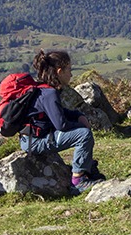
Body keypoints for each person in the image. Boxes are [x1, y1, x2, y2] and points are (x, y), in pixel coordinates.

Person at [19, 50, 106, 192]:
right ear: (59, 71)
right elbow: (61, 125)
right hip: (34, 142)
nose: (71, 74)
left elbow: (58, 113)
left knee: (82, 131)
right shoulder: (50, 93)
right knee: (83, 135)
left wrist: (77, 115)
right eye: (69, 70)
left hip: (30, 138)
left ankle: (87, 168)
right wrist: (81, 124)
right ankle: (78, 180)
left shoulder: (43, 89)